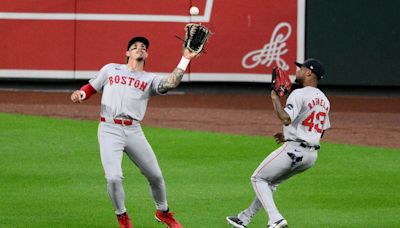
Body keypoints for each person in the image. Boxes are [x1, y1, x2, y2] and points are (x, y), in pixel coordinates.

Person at [71, 36, 199, 228]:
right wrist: (81, 94)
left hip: (133, 130)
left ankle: (163, 212)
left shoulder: (150, 79)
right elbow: (91, 87)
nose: (139, 49)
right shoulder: (110, 69)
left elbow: (171, 83)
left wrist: (185, 58)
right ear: (127, 53)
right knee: (113, 178)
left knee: (155, 176)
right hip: (109, 129)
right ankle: (122, 217)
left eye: (142, 47)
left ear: (146, 54)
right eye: (134, 47)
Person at [226, 59, 331, 228]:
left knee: (257, 178)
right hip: (311, 156)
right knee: (271, 183)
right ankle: (244, 218)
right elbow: (321, 132)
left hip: (294, 151)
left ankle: (276, 219)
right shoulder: (325, 100)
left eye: (301, 69)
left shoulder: (299, 94)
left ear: (309, 73)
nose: (297, 71)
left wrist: (274, 97)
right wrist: (288, 135)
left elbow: (285, 118)